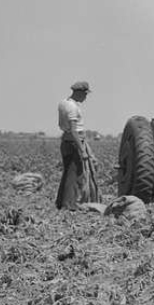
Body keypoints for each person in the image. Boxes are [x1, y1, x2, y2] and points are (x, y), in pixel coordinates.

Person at [56, 81, 100, 210]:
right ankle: (69, 205)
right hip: (74, 142)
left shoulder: (63, 103)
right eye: (85, 94)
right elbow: (74, 131)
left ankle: (61, 202)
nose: (86, 98)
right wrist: (82, 150)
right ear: (80, 93)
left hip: (66, 141)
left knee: (68, 173)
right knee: (75, 175)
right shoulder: (72, 107)